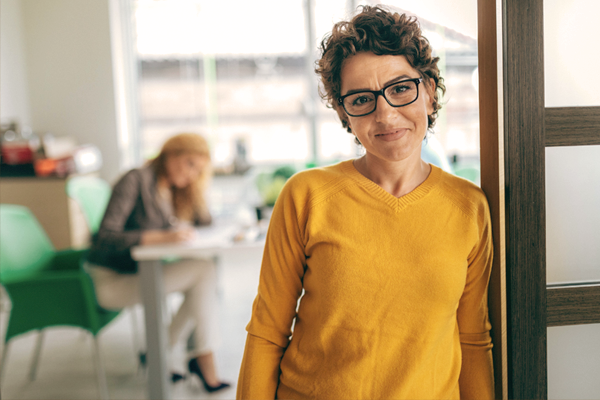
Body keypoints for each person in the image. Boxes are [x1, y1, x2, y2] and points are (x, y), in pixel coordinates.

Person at [237, 6, 494, 400]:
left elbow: (473, 339)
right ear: (344, 113)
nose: (386, 115)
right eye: (361, 99)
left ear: (428, 90)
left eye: (401, 89)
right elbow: (267, 331)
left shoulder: (469, 207)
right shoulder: (306, 196)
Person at [86, 133, 230, 393]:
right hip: (111, 280)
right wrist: (160, 237)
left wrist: (195, 188)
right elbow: (105, 237)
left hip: (140, 274)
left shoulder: (169, 188)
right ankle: (200, 357)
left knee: (202, 275)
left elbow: (205, 222)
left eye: (198, 170)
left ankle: (159, 353)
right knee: (203, 270)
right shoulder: (135, 179)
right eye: (189, 164)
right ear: (170, 155)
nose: (192, 174)